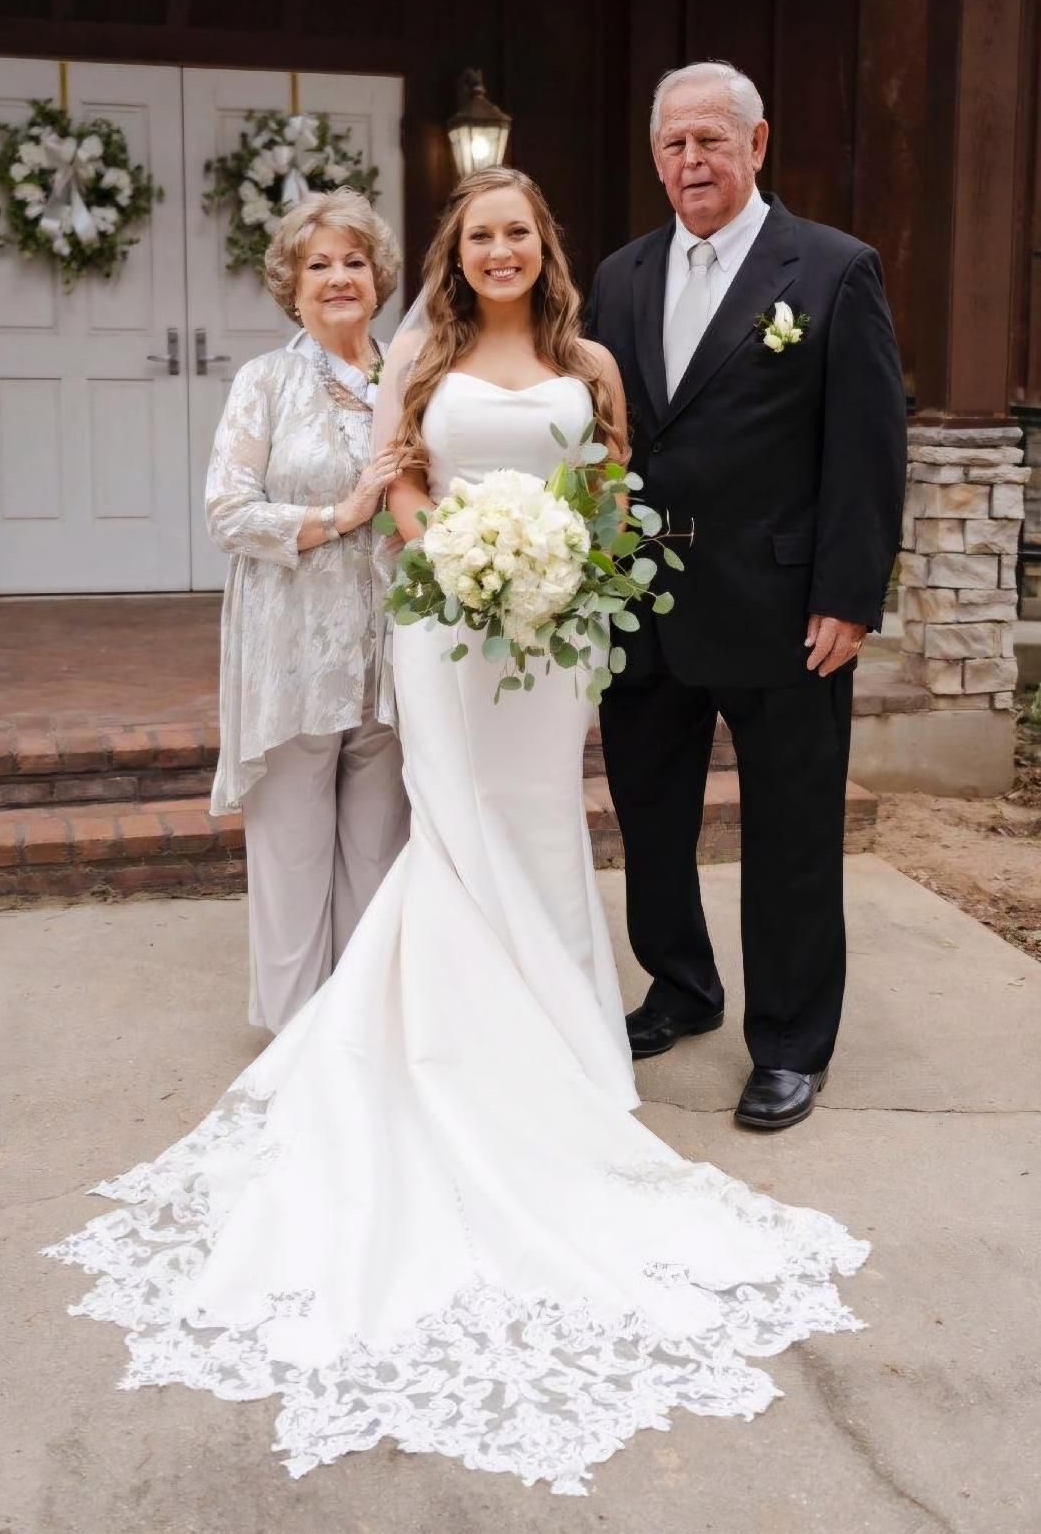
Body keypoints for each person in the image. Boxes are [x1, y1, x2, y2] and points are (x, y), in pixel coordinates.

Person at [46, 169, 869, 1498]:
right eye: (478, 233)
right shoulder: (419, 357)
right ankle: (433, 1048)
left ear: (545, 250)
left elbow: (608, 490)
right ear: (456, 251)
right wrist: (462, 567)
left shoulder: (591, 359)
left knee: (540, 820)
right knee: (456, 822)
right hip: (447, 623)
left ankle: (564, 1050)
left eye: (517, 233)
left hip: (554, 638)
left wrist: (568, 579)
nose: (497, 249)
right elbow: (405, 483)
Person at [585, 62, 906, 1130]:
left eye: (711, 142)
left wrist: (850, 595)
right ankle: (681, 983)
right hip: (646, 607)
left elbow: (868, 449)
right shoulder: (621, 276)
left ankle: (792, 1042)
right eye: (673, 146)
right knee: (654, 817)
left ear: (757, 145)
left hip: (783, 613)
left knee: (793, 831)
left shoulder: (831, 270)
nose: (691, 163)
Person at [205, 189, 410, 1033]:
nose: (338, 278)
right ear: (290, 285)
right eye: (317, 264)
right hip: (291, 656)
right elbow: (227, 511)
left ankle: (358, 1037)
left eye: (353, 262)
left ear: (379, 276)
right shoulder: (266, 382)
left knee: (378, 854)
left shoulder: (410, 375)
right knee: (291, 857)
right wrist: (338, 518)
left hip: (395, 655)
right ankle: (294, 1041)